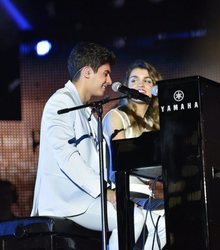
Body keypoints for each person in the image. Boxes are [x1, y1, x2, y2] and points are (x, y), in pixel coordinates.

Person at [30, 42, 145, 250]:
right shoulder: (60, 103)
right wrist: (104, 192)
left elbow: (98, 164)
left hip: (84, 197)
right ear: (87, 72)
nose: (109, 81)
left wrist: (117, 190)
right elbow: (68, 157)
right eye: (106, 74)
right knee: (131, 217)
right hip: (65, 201)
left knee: (143, 216)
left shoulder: (90, 112)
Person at [103, 59, 166, 249]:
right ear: (125, 86)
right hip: (123, 189)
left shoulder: (157, 124)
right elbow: (123, 160)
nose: (141, 84)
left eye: (147, 80)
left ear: (154, 88)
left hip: (149, 191)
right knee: (133, 219)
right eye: (134, 80)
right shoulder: (116, 116)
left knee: (167, 222)